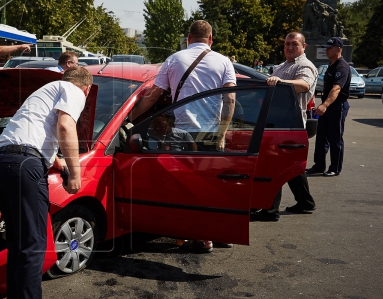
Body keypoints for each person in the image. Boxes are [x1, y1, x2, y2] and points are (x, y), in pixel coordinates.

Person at [0, 66, 93, 299]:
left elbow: (47, 143)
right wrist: (76, 172)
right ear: (87, 89)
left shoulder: (45, 94)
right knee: (33, 246)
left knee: (19, 243)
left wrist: (60, 164)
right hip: (23, 164)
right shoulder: (73, 90)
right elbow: (66, 126)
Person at [128, 20, 236, 253]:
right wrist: (222, 133)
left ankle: (190, 234)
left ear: (188, 37)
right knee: (212, 187)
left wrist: (129, 119)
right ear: (210, 39)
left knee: (186, 188)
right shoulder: (224, 61)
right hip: (211, 134)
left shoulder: (174, 60)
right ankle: (215, 234)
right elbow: (230, 100)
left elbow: (153, 96)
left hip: (182, 135)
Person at [252, 32, 318, 222]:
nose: (289, 47)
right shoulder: (282, 66)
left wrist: (281, 83)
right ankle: (305, 202)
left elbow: (304, 85)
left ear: (303, 47)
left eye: (294, 44)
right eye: (287, 43)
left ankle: (270, 211)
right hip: (277, 123)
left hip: (290, 125)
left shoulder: (305, 66)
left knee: (274, 164)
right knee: (291, 166)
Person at [306, 37, 350, 177]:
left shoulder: (341, 66)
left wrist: (325, 105)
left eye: (329, 48)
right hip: (327, 106)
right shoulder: (331, 64)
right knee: (321, 137)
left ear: (338, 49)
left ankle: (334, 168)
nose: (326, 50)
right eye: (326, 47)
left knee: (335, 138)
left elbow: (336, 89)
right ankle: (319, 166)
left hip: (337, 106)